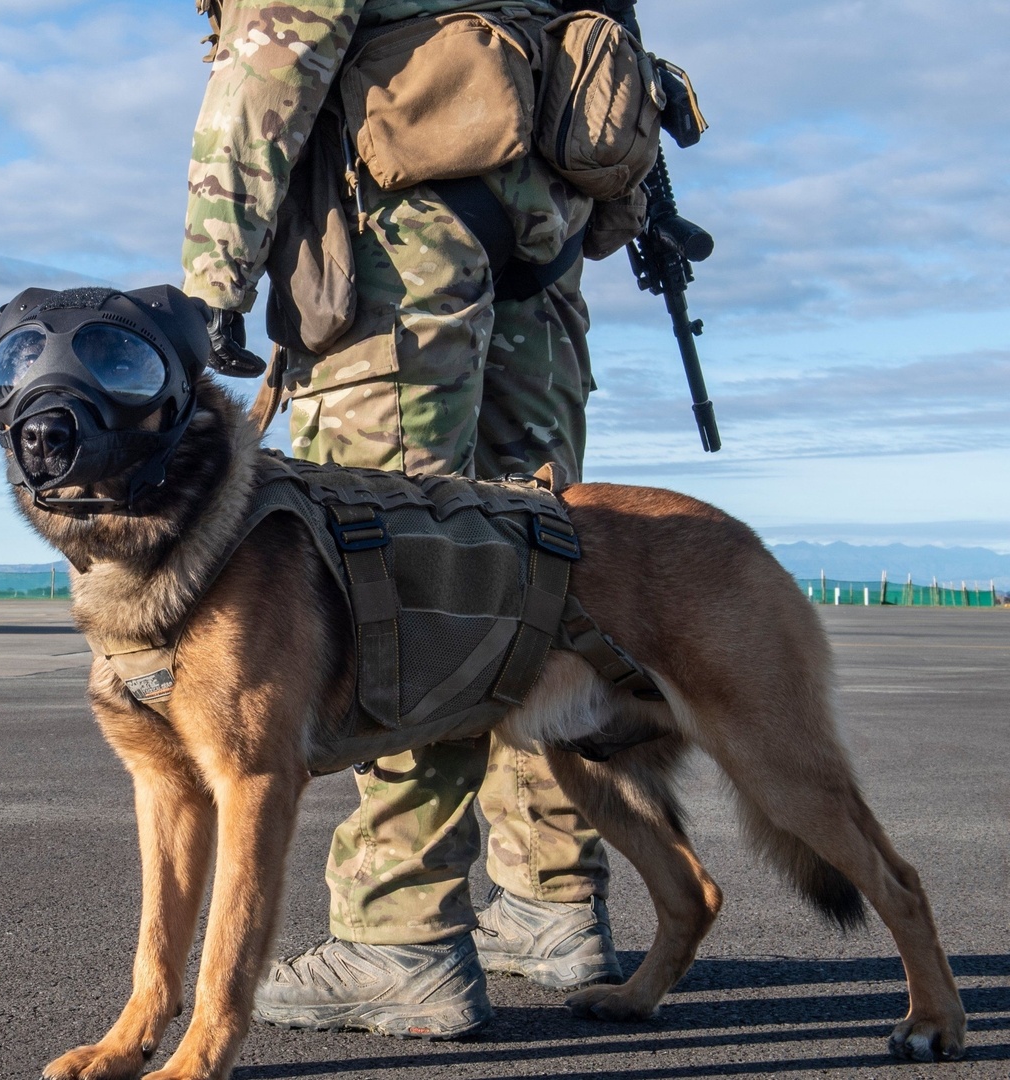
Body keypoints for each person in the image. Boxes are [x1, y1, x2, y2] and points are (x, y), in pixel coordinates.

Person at [182, 0, 624, 1038]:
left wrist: (213, 275)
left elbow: (269, 65)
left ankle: (401, 937)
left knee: (399, 595)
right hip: (543, 276)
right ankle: (552, 901)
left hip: (407, 272)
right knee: (536, 584)